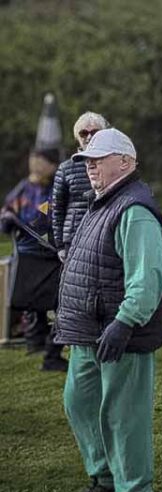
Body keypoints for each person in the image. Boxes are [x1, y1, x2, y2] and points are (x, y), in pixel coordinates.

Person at [53, 128, 162, 492]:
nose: (90, 167)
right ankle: (104, 480)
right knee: (78, 402)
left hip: (120, 332)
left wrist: (125, 322)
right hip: (88, 332)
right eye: (86, 161)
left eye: (98, 160)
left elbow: (147, 278)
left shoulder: (134, 208)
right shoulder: (102, 203)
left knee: (124, 417)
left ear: (127, 162)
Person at [1, 147, 64, 370]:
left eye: (40, 161)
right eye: (33, 160)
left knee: (59, 302)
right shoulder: (24, 189)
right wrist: (9, 217)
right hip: (29, 254)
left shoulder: (57, 184)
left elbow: (48, 215)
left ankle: (50, 350)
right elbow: (7, 217)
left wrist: (37, 218)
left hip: (50, 253)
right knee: (37, 301)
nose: (35, 165)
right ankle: (38, 344)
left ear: (52, 164)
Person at [51, 111, 109, 260]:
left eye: (95, 132)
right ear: (77, 137)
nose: (89, 137)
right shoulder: (65, 169)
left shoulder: (112, 163)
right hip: (74, 236)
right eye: (84, 133)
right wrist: (60, 246)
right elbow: (57, 209)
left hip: (105, 234)